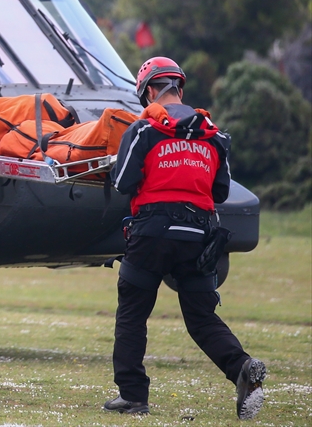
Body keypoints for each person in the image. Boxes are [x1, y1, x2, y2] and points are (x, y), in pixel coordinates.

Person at [106, 57, 266, 420]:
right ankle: (242, 367)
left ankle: (133, 397)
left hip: (152, 234)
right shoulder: (214, 135)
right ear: (180, 87)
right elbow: (221, 192)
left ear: (149, 91)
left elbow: (122, 183)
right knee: (201, 317)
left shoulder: (144, 129)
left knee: (132, 313)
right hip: (200, 237)